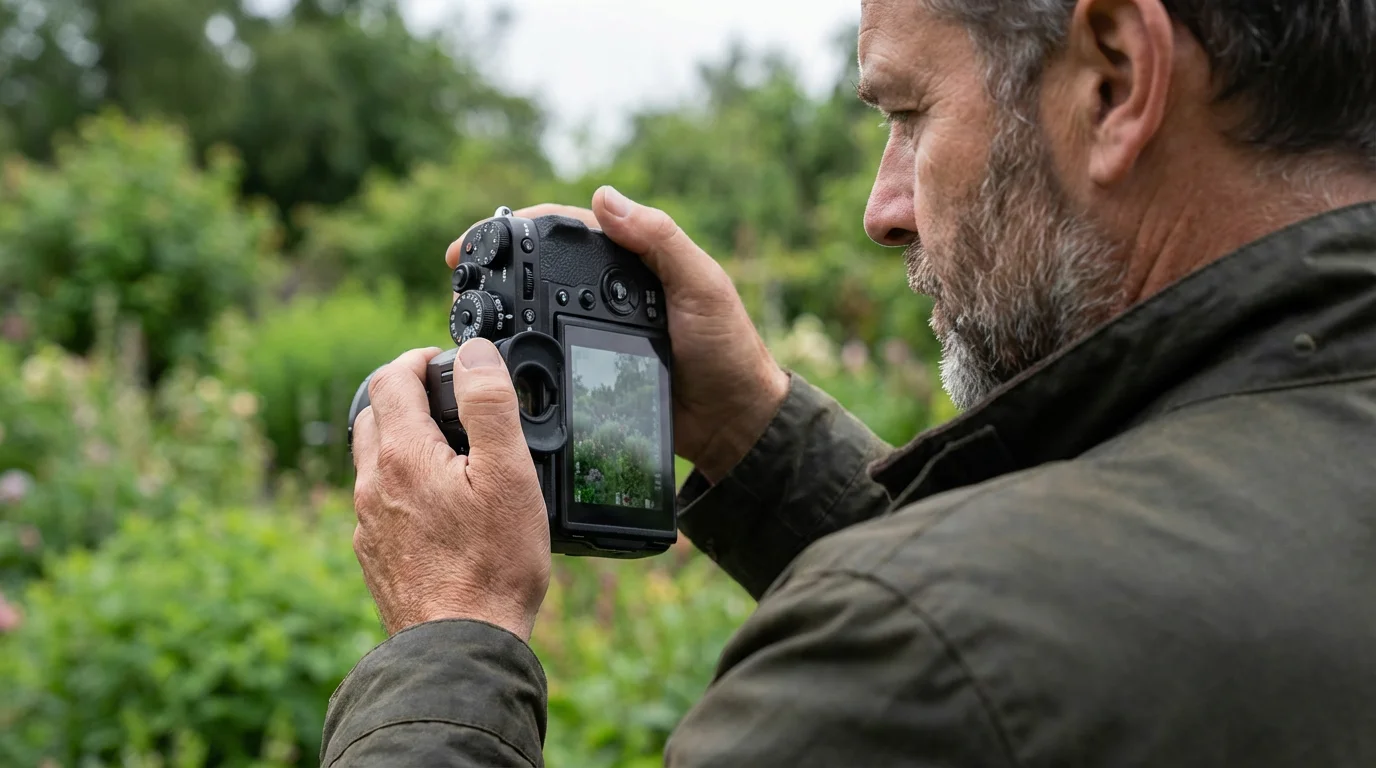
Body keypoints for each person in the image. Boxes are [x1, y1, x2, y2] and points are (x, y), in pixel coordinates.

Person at [323, 0, 1376, 765]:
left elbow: (971, 647)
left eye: (908, 114)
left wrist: (448, 642)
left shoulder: (899, 666)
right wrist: (755, 432)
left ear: (1112, 76)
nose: (882, 210)